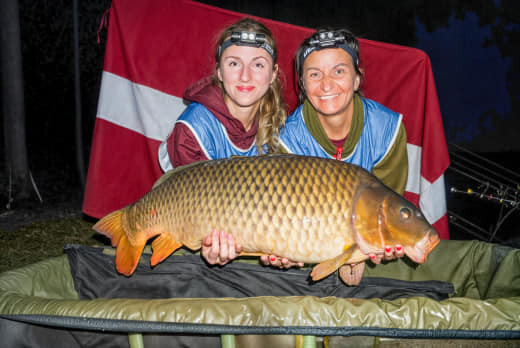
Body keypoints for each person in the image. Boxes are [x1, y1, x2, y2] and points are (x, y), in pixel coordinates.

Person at [157, 18, 303, 267]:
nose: (245, 76)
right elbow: (192, 213)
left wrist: (286, 244)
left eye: (258, 65)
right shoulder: (192, 131)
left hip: (249, 226)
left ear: (273, 74)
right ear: (219, 72)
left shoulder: (281, 126)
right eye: (234, 63)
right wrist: (210, 246)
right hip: (187, 231)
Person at [277, 28, 409, 284]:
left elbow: (388, 208)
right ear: (303, 84)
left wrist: (362, 253)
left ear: (357, 78)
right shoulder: (287, 140)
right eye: (315, 74)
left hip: (364, 241)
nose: (327, 84)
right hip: (310, 240)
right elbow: (293, 222)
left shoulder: (387, 129)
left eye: (339, 71)